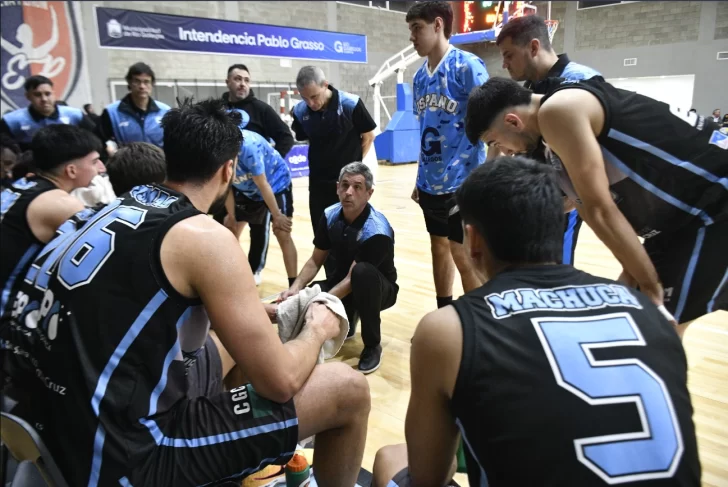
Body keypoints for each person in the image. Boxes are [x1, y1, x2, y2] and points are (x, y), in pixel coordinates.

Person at [0, 99, 370, 487]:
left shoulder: (103, 210)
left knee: (232, 345)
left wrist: (250, 309)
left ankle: (233, 464)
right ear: (229, 169)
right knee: (348, 389)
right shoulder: (205, 237)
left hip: (50, 424)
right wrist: (319, 328)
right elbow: (280, 381)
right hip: (125, 457)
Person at [372, 156, 701, 487]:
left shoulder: (446, 330)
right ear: (559, 226)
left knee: (391, 459)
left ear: (473, 240)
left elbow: (428, 478)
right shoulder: (649, 311)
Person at [465, 77, 728, 335]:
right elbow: (576, 202)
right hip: (678, 225)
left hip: (712, 206)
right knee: (633, 323)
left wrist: (648, 284)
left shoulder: (558, 110)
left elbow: (598, 208)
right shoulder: (551, 138)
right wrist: (632, 270)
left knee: (653, 331)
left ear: (513, 121)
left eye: (495, 142)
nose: (504, 151)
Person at [496, 14, 604, 266]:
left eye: (508, 55)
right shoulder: (530, 89)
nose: (504, 64)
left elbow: (595, 154)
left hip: (565, 198)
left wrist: (572, 200)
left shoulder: (582, 79)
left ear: (533, 47)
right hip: (536, 197)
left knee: (557, 269)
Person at [406, 1, 489, 308]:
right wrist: (419, 176)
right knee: (438, 247)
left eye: (417, 28)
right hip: (430, 182)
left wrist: (488, 176)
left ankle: (476, 321)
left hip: (464, 181)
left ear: (438, 25)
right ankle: (447, 313)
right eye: (411, 29)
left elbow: (492, 122)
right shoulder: (418, 78)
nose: (412, 37)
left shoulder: (467, 66)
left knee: (464, 254)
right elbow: (425, 131)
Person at [281, 162, 398, 374]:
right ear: (337, 188)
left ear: (369, 193)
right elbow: (316, 260)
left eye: (357, 187)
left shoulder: (377, 230)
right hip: (344, 281)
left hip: (378, 289)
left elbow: (352, 279)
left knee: (361, 274)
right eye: (344, 185)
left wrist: (319, 301)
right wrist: (295, 288)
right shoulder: (329, 215)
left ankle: (372, 345)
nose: (349, 192)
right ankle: (349, 314)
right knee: (306, 295)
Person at [0, 124, 103, 316]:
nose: (101, 168)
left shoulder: (23, 184)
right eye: (95, 162)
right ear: (71, 170)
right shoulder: (61, 205)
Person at [221, 63, 295, 285]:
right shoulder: (218, 116)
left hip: (269, 182)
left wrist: (271, 160)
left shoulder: (253, 136)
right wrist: (232, 215)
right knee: (228, 226)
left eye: (246, 79)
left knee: (279, 230)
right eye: (237, 78)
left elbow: (285, 139)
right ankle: (225, 273)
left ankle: (290, 283)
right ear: (228, 82)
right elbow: (225, 186)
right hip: (241, 184)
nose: (242, 83)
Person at [291, 66, 377, 239]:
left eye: (314, 96)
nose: (311, 103)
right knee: (323, 239)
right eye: (305, 98)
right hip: (318, 186)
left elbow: (368, 137)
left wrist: (353, 168)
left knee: (351, 239)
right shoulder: (300, 112)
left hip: (349, 185)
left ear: (325, 85)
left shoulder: (350, 104)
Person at [0, 75, 96, 151]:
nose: (44, 99)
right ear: (28, 96)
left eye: (48, 94)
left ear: (54, 94)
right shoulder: (12, 121)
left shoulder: (75, 115)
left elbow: (95, 138)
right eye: (37, 95)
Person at [97, 62, 170, 152]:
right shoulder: (112, 112)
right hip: (127, 164)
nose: (142, 86)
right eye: (137, 81)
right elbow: (99, 142)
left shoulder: (165, 111)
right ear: (129, 83)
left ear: (152, 84)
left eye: (146, 82)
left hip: (160, 164)